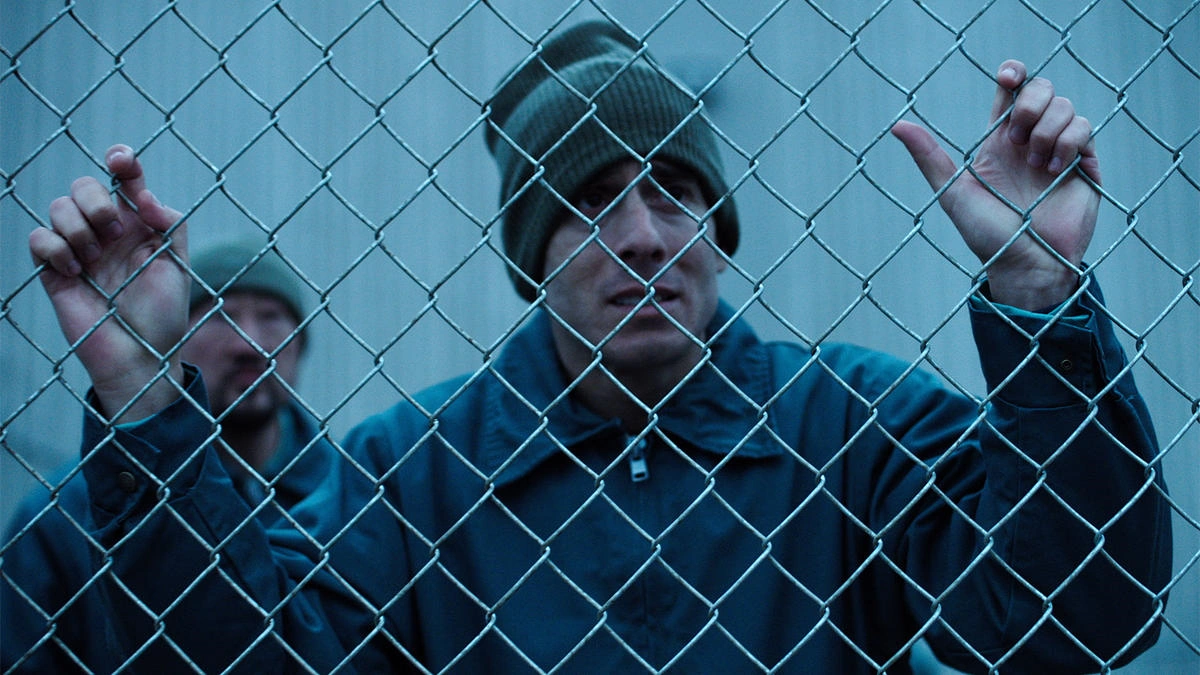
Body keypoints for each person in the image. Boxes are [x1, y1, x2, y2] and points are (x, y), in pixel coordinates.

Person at [24, 19, 1171, 674]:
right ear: (533, 255)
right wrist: (144, 399)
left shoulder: (853, 426)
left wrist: (1037, 292)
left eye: (674, 191)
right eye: (588, 202)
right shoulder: (412, 471)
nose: (642, 236)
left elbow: (1077, 619)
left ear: (716, 230)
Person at [1, 242, 335, 673]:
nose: (249, 343)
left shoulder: (347, 496)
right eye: (221, 314)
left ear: (300, 345)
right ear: (173, 340)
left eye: (271, 317)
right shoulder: (67, 515)